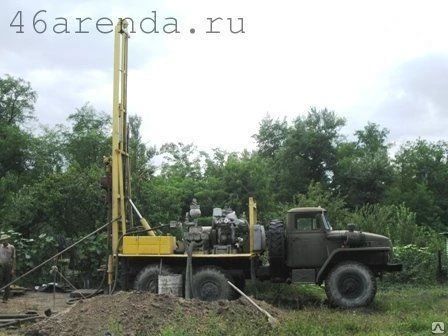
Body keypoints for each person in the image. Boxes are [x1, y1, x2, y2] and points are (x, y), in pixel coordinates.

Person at [0, 234, 16, 303]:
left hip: (8, 266)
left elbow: (14, 258)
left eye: (5, 240)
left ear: (7, 240)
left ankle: (5, 298)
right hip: (1, 266)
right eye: (2, 240)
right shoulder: (0, 246)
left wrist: (13, 269)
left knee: (7, 282)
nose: (3, 241)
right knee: (1, 281)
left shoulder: (11, 247)